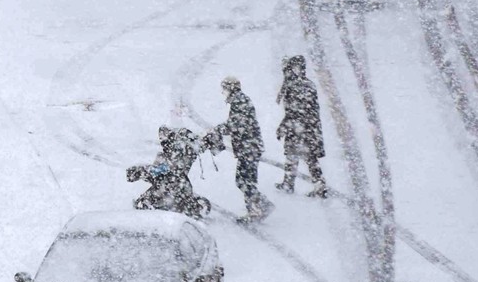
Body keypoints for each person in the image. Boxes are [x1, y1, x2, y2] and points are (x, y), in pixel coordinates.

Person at [215, 77, 273, 220]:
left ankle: (258, 207)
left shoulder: (240, 102)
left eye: (225, 89)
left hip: (249, 148)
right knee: (245, 180)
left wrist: (216, 130)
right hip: (249, 147)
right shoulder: (239, 100)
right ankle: (257, 206)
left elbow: (235, 124)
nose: (223, 92)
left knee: (244, 180)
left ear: (231, 88)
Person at [128, 125, 210, 219]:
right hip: (172, 183)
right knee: (166, 185)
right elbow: (160, 169)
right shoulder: (170, 152)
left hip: (173, 183)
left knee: (168, 185)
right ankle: (150, 203)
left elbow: (165, 169)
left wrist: (147, 171)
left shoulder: (178, 151)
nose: (162, 139)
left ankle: (150, 203)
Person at [276, 55, 328, 198]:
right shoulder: (305, 84)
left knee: (302, 155)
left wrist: (284, 126)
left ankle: (293, 183)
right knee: (302, 156)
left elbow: (295, 111)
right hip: (306, 127)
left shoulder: (299, 86)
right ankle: (315, 185)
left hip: (301, 128)